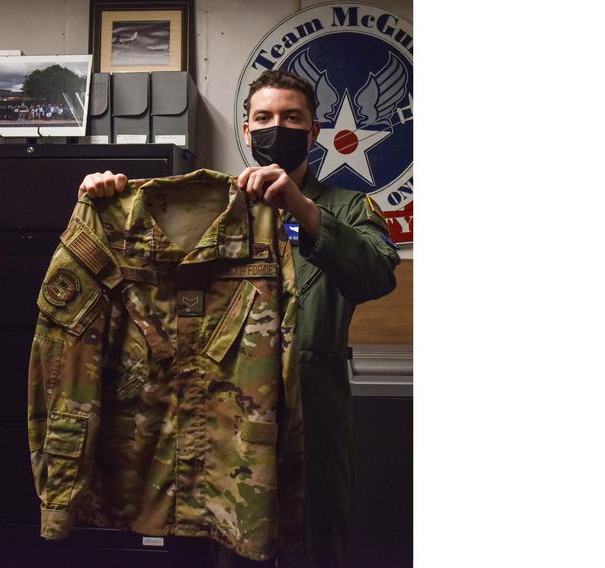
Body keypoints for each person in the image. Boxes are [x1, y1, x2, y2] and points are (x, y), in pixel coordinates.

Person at [75, 70, 400, 568]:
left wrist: (303, 209)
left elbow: (377, 274)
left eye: (293, 118)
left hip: (315, 410)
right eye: (264, 118)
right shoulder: (214, 205)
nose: (278, 127)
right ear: (246, 132)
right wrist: (105, 200)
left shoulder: (346, 206)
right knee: (234, 544)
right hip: (228, 411)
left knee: (316, 540)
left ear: (314, 133)